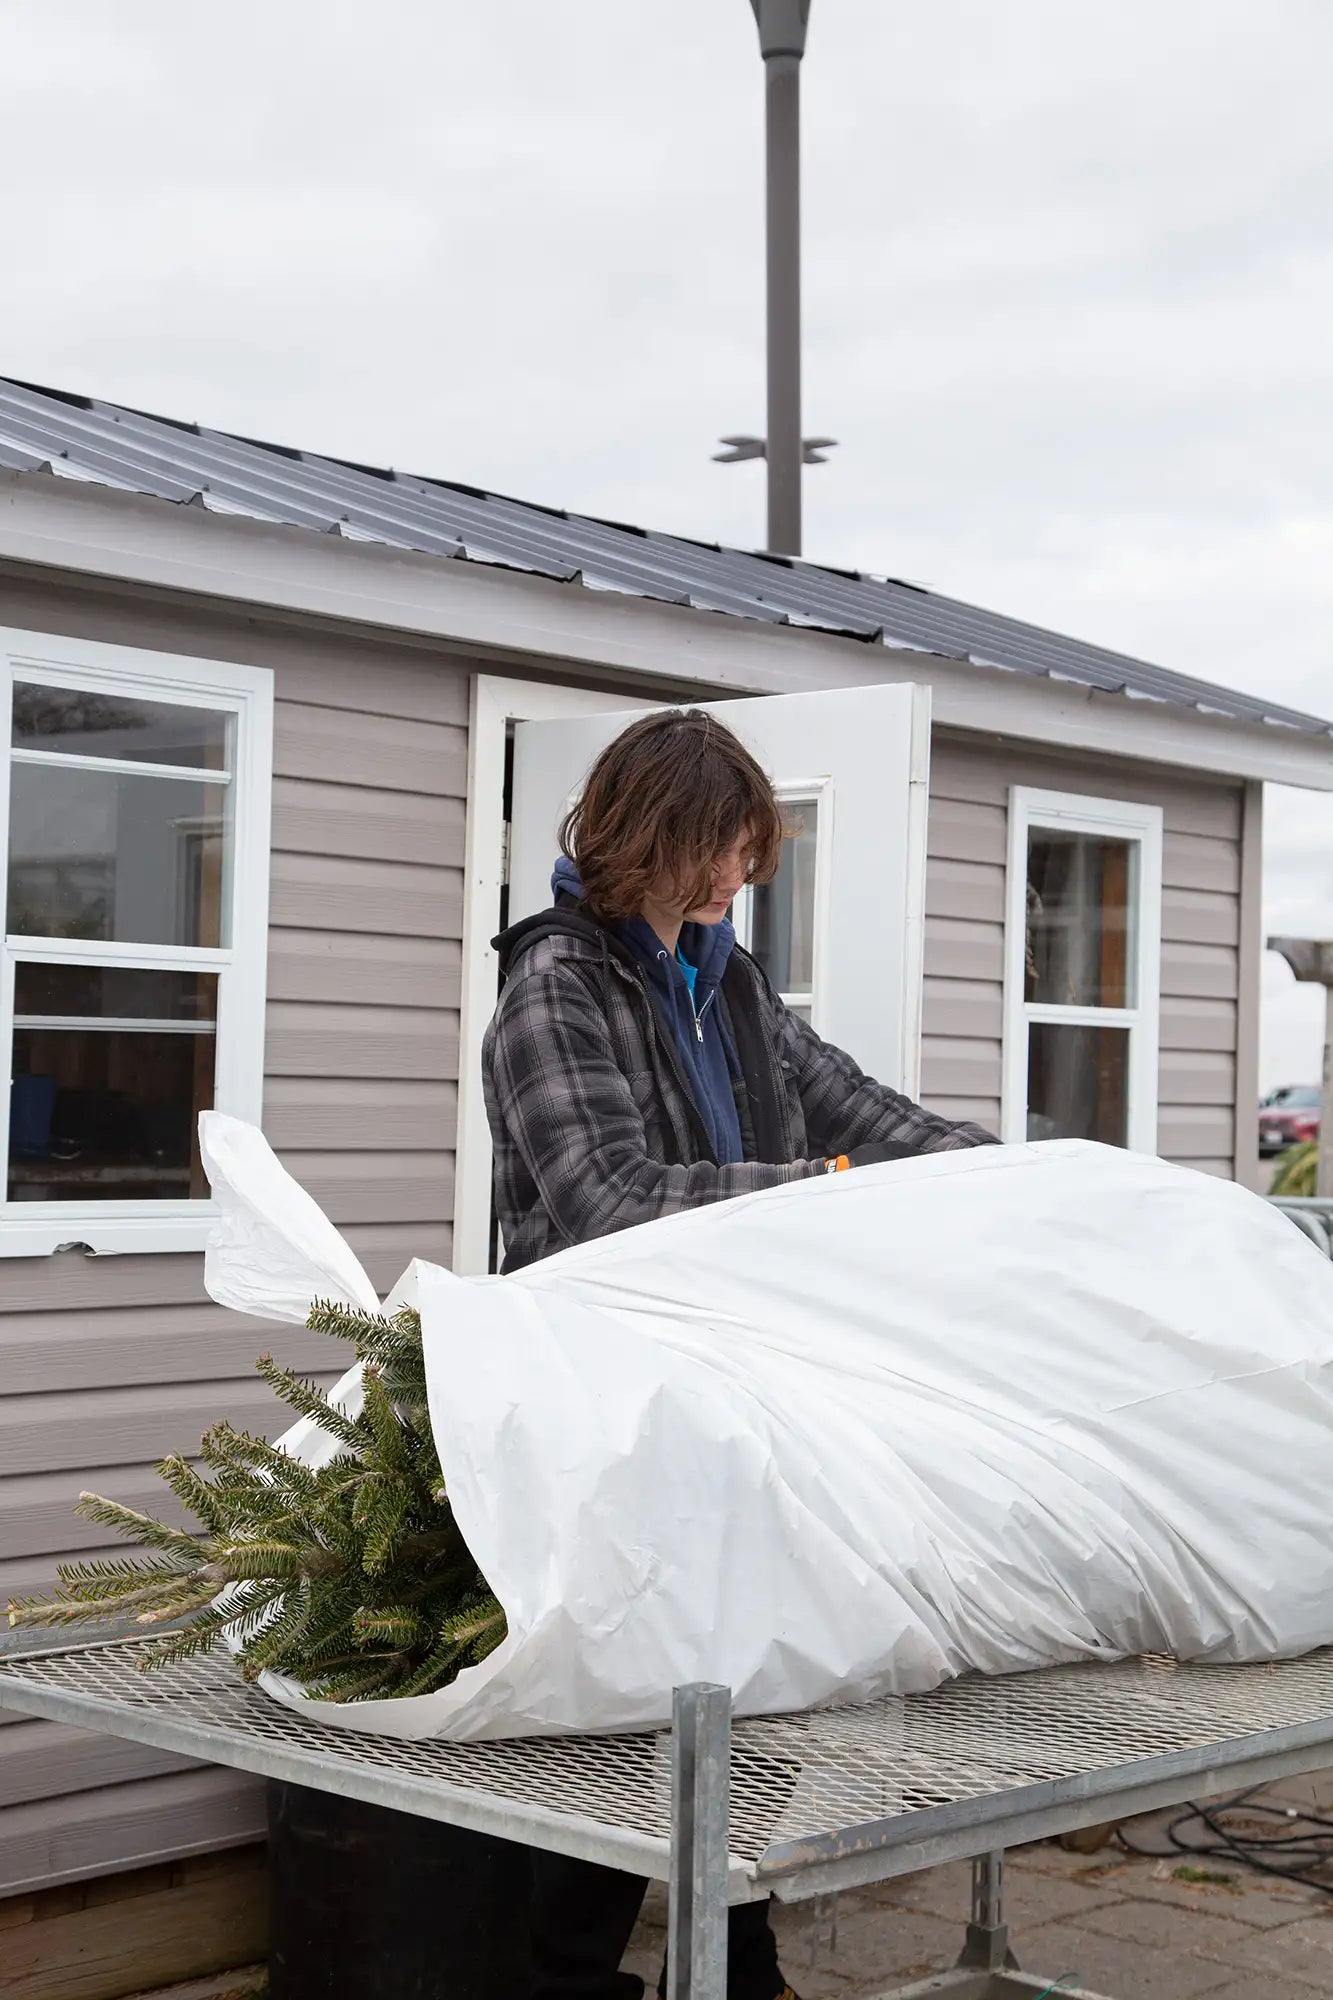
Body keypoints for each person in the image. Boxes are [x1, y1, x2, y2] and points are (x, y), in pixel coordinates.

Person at [483, 708, 997, 2000]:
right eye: (716, 853)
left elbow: (855, 1110)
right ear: (643, 839)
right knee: (615, 1715)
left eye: (743, 860)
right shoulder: (554, 988)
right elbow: (600, 1200)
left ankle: (737, 1967)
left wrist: (1005, 1176)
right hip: (595, 1414)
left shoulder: (732, 982)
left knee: (741, 1691)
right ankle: (561, 1973)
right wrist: (809, 1190)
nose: (733, 884)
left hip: (719, 1405)